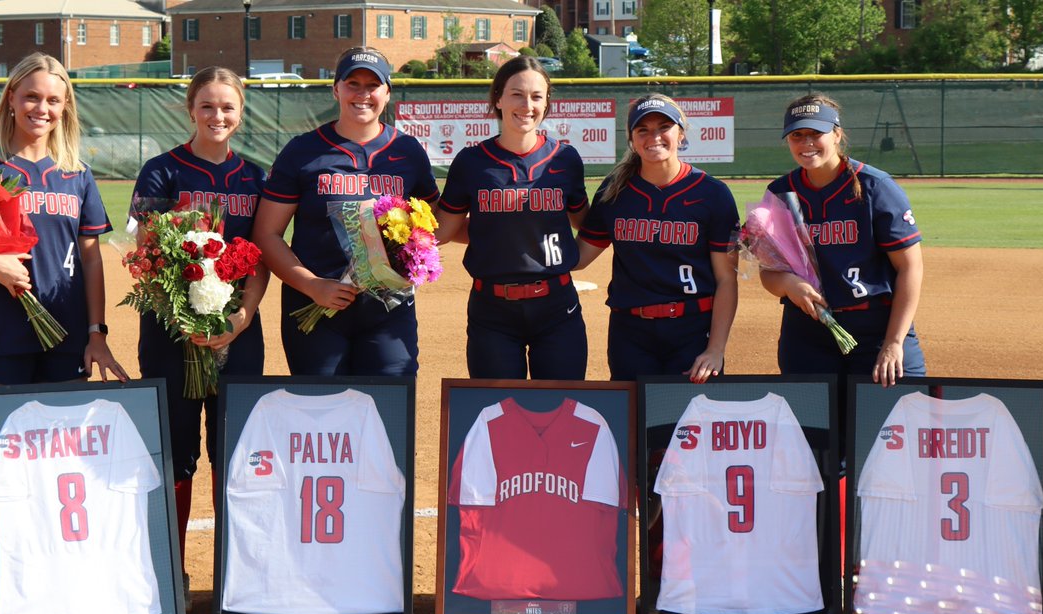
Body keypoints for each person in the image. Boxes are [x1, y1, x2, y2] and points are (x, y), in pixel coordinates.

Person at [0, 53, 128, 614]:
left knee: (55, 464)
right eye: (32, 97)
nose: (42, 108)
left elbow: (91, 259)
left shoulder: (77, 174)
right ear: (11, 100)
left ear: (65, 106)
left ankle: (46, 577)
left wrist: (96, 334)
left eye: (53, 99)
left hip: (64, 335)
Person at [130, 66, 268, 610]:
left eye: (228, 107)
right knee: (174, 455)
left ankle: (236, 579)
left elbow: (260, 258)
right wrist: (183, 316)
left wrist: (241, 316)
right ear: (191, 109)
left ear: (241, 113)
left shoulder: (255, 177)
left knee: (233, 455)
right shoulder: (163, 172)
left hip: (238, 332)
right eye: (207, 106)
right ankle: (172, 576)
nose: (218, 116)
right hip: (171, 333)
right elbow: (144, 254)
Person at [253, 47, 438, 376]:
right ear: (336, 89)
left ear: (387, 93)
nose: (363, 94)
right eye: (353, 83)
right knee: (323, 416)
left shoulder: (408, 152)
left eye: (373, 85)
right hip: (316, 306)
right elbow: (267, 234)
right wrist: (311, 285)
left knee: (390, 411)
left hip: (389, 310)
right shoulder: (303, 151)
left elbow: (432, 226)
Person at [435, 56, 590, 380]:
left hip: (557, 305)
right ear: (498, 98)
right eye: (517, 94)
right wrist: (386, 225)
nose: (527, 104)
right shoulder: (472, 162)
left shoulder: (565, 159)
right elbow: (444, 230)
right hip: (492, 308)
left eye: (537, 96)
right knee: (498, 409)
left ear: (547, 102)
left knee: (563, 405)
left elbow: (583, 222)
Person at [761, 93, 926, 386]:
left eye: (816, 133)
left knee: (889, 424)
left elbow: (910, 267)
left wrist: (894, 342)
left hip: (876, 326)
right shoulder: (780, 193)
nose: (806, 143)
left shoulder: (875, 187)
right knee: (814, 428)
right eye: (797, 135)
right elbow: (769, 272)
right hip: (807, 331)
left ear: (837, 134)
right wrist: (788, 284)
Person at [576, 95, 740, 383]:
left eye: (664, 126)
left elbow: (726, 279)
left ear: (681, 133)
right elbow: (578, 258)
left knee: (690, 423)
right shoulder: (614, 192)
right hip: (630, 333)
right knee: (635, 422)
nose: (654, 137)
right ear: (631, 139)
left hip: (692, 330)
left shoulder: (712, 194)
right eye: (643, 130)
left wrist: (716, 349)